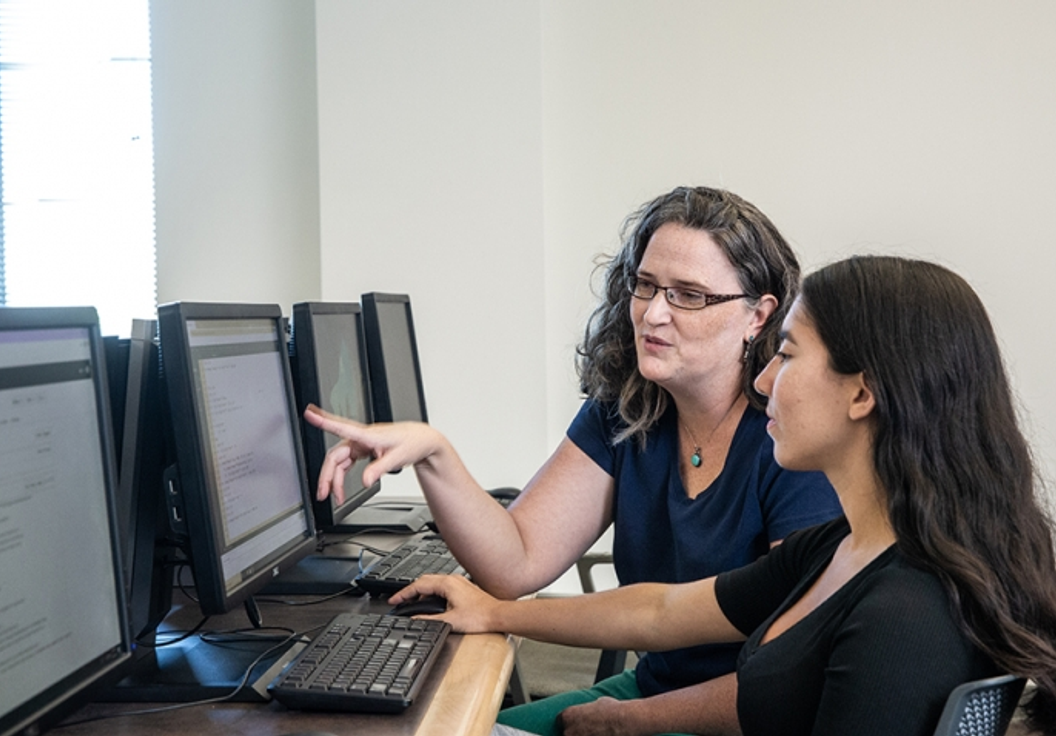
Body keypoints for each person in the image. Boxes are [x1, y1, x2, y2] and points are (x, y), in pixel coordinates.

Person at [392, 255, 1056, 736]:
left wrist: (634, 720)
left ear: (862, 393)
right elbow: (661, 614)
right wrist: (494, 614)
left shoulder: (903, 619)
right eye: (646, 287)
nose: (764, 380)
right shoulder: (843, 550)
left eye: (789, 356)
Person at [307, 186, 842, 735]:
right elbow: (515, 564)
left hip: (736, 718)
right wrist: (433, 452)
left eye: (688, 295)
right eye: (646, 285)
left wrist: (628, 721)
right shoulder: (628, 412)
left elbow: (787, 680)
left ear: (759, 315)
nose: (654, 313)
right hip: (650, 691)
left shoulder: (790, 443)